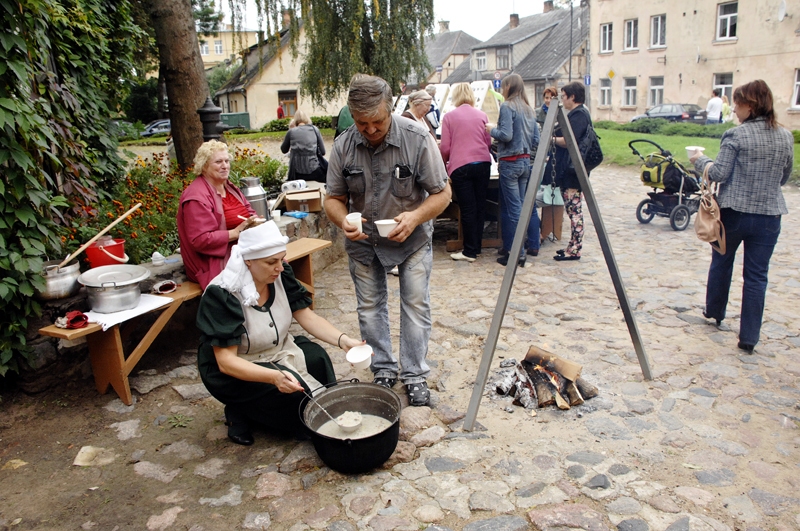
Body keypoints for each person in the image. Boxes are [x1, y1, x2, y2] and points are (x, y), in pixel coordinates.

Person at [325, 74, 451, 406]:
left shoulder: (418, 137)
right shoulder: (343, 145)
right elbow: (333, 198)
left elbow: (442, 193)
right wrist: (342, 221)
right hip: (364, 242)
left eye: (377, 121)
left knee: (414, 303)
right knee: (369, 308)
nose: (369, 130)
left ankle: (414, 374)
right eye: (360, 123)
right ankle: (382, 368)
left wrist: (415, 216)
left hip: (412, 239)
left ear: (390, 107)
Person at [196, 220, 363, 445]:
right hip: (237, 364)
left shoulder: (280, 275)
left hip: (277, 350)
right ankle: (240, 411)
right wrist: (274, 377)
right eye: (271, 262)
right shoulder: (223, 294)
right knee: (292, 393)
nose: (280, 267)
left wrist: (343, 341)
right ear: (248, 261)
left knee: (317, 359)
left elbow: (306, 316)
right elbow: (226, 362)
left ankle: (282, 411)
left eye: (281, 259)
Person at [689, 79, 792, 353]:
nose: (734, 109)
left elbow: (720, 173)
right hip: (770, 215)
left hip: (735, 212)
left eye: (738, 103)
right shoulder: (786, 136)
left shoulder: (737, 135)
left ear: (751, 105)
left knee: (722, 261)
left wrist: (700, 160)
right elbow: (784, 176)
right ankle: (749, 337)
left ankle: (715, 311)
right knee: (757, 276)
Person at [177, 140, 257, 289]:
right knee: (265, 268)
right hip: (211, 262)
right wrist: (234, 233)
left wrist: (255, 221)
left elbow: (248, 211)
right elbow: (200, 240)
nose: (225, 166)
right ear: (204, 165)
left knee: (277, 262)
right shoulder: (196, 197)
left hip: (238, 251)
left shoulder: (229, 187)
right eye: (218, 162)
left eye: (227, 161)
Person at [486, 73, 541, 267]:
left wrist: (491, 129)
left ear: (509, 86)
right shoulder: (529, 109)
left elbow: (506, 135)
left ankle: (518, 252)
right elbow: (536, 140)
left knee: (514, 209)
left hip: (510, 161)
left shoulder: (507, 106)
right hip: (525, 162)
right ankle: (511, 246)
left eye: (504, 85)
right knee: (517, 207)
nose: (502, 88)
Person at [440, 82, 493, 262]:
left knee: (467, 208)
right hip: (483, 163)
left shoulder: (449, 117)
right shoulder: (482, 115)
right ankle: (476, 246)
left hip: (461, 165)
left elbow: (445, 147)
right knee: (479, 206)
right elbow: (488, 142)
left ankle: (469, 251)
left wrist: (444, 163)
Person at [548, 81, 594, 261]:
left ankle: (575, 249)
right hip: (570, 169)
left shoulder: (579, 115)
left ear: (572, 97)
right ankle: (572, 246)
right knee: (572, 209)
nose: (562, 99)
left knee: (574, 211)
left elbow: (569, 141)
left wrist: (552, 139)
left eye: (564, 96)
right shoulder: (578, 114)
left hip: (572, 170)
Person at [536, 87, 564, 244]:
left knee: (548, 191)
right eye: (546, 97)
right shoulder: (539, 113)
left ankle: (548, 227)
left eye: (550, 97)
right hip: (543, 150)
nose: (547, 100)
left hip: (553, 153)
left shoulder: (560, 114)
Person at [281, 110, 327, 183]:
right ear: (307, 119)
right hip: (314, 170)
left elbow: (283, 150)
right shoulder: (315, 129)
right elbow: (323, 152)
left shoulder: (291, 132)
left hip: (297, 173)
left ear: (295, 120)